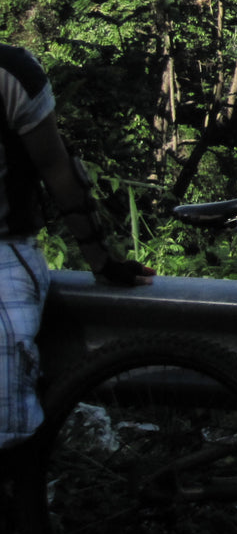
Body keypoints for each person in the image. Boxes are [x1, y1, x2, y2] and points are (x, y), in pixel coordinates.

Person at [1, 43, 153, 452]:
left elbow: (57, 168)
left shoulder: (10, 74)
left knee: (6, 422)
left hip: (4, 251)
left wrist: (101, 260)